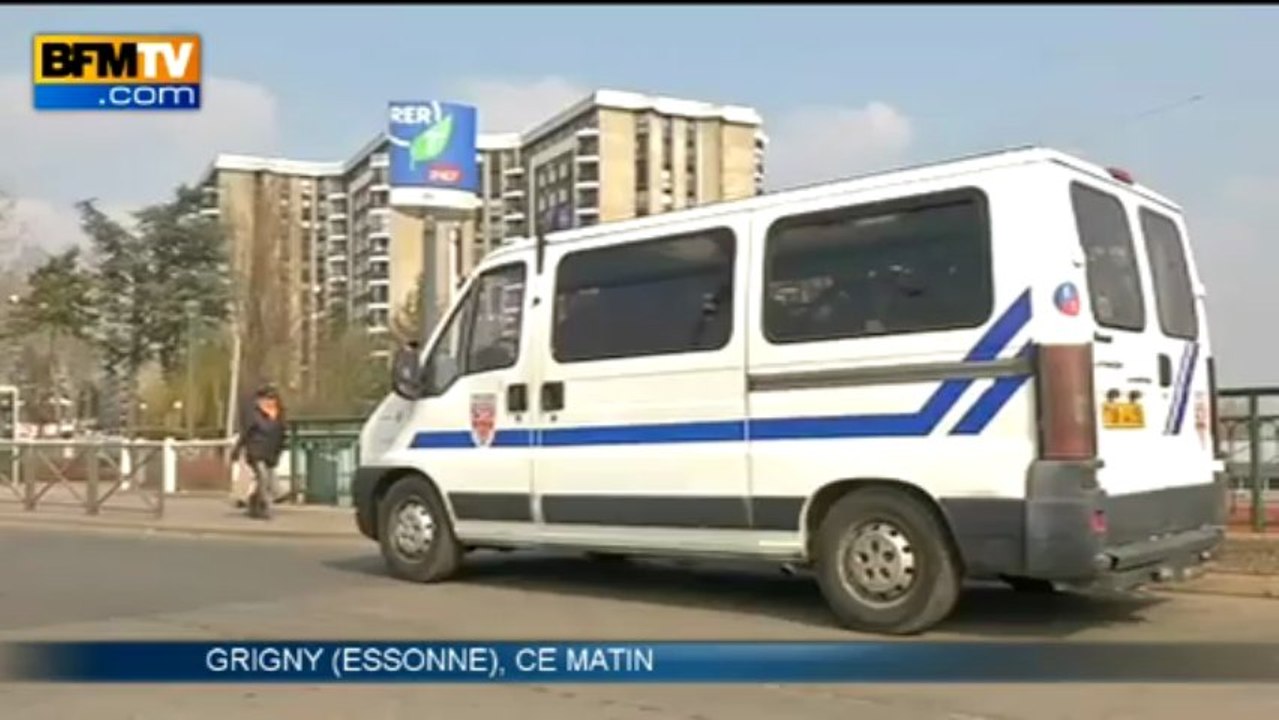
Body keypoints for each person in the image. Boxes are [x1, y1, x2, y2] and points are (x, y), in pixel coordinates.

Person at [231, 385, 286, 520]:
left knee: (264, 480)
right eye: (267, 398)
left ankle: (253, 503)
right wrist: (237, 449)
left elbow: (281, 436)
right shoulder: (254, 414)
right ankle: (263, 508)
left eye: (272, 398)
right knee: (263, 478)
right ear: (260, 400)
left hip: (269, 451)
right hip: (255, 451)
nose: (270, 401)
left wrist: (278, 452)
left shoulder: (279, 415)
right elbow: (246, 433)